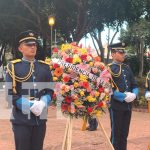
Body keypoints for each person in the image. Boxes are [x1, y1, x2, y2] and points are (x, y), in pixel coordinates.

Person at [5, 30, 54, 150]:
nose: (33, 47)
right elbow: (10, 95)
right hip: (21, 120)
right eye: (29, 45)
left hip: (40, 120)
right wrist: (30, 105)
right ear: (20, 48)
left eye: (34, 45)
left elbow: (50, 90)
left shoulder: (44, 67)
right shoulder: (13, 67)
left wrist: (43, 102)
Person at [108, 42, 139, 150]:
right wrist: (122, 96)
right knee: (116, 135)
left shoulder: (127, 68)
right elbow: (108, 89)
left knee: (124, 134)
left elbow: (134, 85)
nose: (123, 54)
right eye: (120, 52)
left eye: (123, 52)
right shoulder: (109, 69)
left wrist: (134, 94)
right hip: (116, 106)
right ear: (112, 54)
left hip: (128, 106)